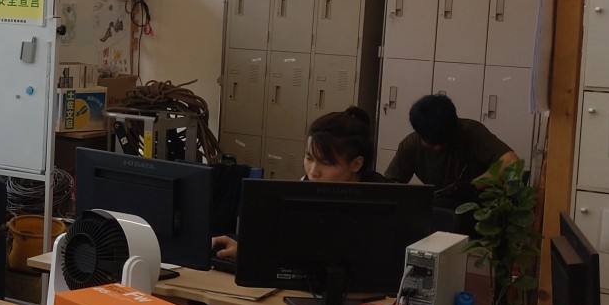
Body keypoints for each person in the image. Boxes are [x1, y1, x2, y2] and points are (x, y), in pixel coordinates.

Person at [212, 106, 387, 261]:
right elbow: (285, 241)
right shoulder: (305, 187)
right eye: (309, 158)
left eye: (326, 163)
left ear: (356, 164)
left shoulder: (382, 200)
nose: (313, 171)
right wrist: (247, 250)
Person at [383, 93, 519, 207]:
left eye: (442, 141)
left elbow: (512, 163)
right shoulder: (410, 145)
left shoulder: (472, 133)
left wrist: (474, 186)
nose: (438, 147)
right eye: (431, 143)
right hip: (440, 208)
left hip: (478, 208)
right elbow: (389, 186)